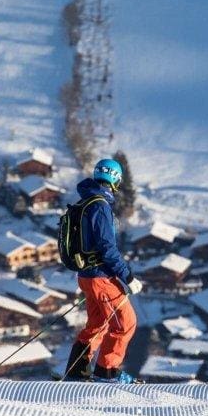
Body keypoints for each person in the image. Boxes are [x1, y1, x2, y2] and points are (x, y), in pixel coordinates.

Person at [63, 158, 143, 383]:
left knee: (98, 324)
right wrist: (128, 276)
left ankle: (76, 371)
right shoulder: (99, 205)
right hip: (101, 277)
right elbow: (107, 248)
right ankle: (106, 372)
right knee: (126, 323)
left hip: (86, 276)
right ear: (116, 179)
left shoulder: (85, 201)